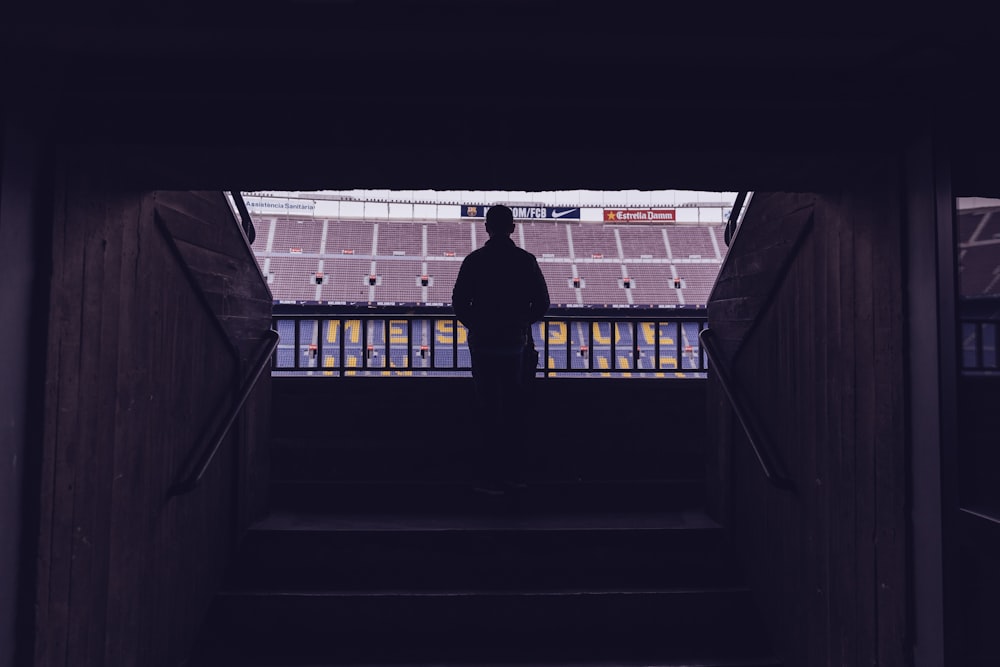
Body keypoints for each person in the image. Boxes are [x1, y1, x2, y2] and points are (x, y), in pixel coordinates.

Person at [452, 204, 550, 494]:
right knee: (514, 410)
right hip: (514, 346)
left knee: (486, 408)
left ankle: (486, 475)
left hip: (483, 345)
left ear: (486, 228)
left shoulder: (474, 260)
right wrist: (520, 324)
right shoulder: (526, 261)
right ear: (512, 228)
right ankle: (513, 474)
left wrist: (478, 325)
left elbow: (459, 302)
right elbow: (542, 302)